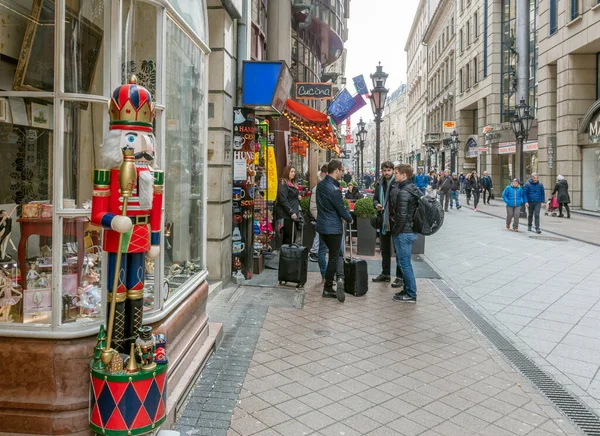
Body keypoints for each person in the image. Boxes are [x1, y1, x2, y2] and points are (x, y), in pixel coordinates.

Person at [316, 160, 353, 302]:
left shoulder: (321, 185)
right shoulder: (334, 188)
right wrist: (349, 218)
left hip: (322, 226)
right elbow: (340, 208)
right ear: (336, 170)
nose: (342, 173)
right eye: (342, 171)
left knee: (336, 254)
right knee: (333, 256)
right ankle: (328, 286)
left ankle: (340, 277)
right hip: (332, 227)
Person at [389, 164, 422, 303]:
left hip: (404, 232)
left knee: (405, 264)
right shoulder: (413, 188)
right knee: (405, 263)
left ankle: (411, 293)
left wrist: (395, 232)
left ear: (404, 175)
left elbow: (401, 216)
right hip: (411, 230)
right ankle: (408, 290)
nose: (394, 175)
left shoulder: (404, 192)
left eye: (396, 173)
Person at [372, 161, 403, 288]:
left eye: (389, 170)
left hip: (394, 221)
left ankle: (400, 277)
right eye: (384, 170)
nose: (386, 173)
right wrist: (376, 205)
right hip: (383, 221)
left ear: (392, 170)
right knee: (384, 250)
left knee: (398, 250)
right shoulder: (379, 183)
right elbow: (374, 198)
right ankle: (385, 274)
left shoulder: (398, 184)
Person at [309, 165, 329, 275]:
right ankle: (325, 275)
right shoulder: (318, 188)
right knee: (321, 246)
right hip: (323, 221)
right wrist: (321, 219)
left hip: (328, 222)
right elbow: (313, 207)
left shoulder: (332, 186)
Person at [275, 165, 301, 246]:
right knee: (289, 236)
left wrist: (297, 196)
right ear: (287, 172)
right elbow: (283, 199)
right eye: (291, 172)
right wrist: (291, 212)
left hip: (292, 213)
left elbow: (289, 196)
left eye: (294, 171)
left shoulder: (291, 183)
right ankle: (286, 255)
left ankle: (288, 255)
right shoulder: (283, 183)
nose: (293, 173)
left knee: (292, 236)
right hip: (287, 214)